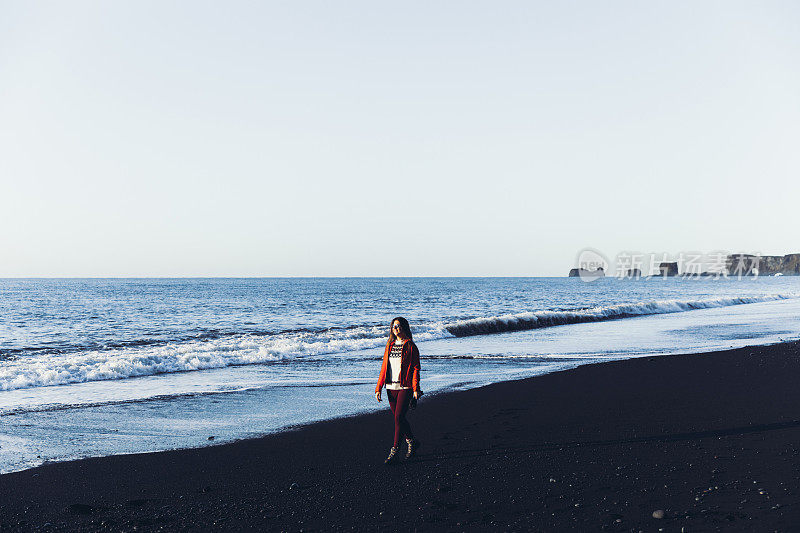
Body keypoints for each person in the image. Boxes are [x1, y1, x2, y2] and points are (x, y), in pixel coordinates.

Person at [375, 316, 422, 464]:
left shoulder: (410, 346)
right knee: (399, 418)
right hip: (390, 387)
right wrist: (379, 387)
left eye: (399, 326)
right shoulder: (389, 345)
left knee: (398, 417)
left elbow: (415, 369)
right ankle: (412, 442)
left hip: (405, 387)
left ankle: (394, 451)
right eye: (393, 326)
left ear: (405, 328)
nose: (396, 329)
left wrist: (415, 389)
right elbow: (384, 368)